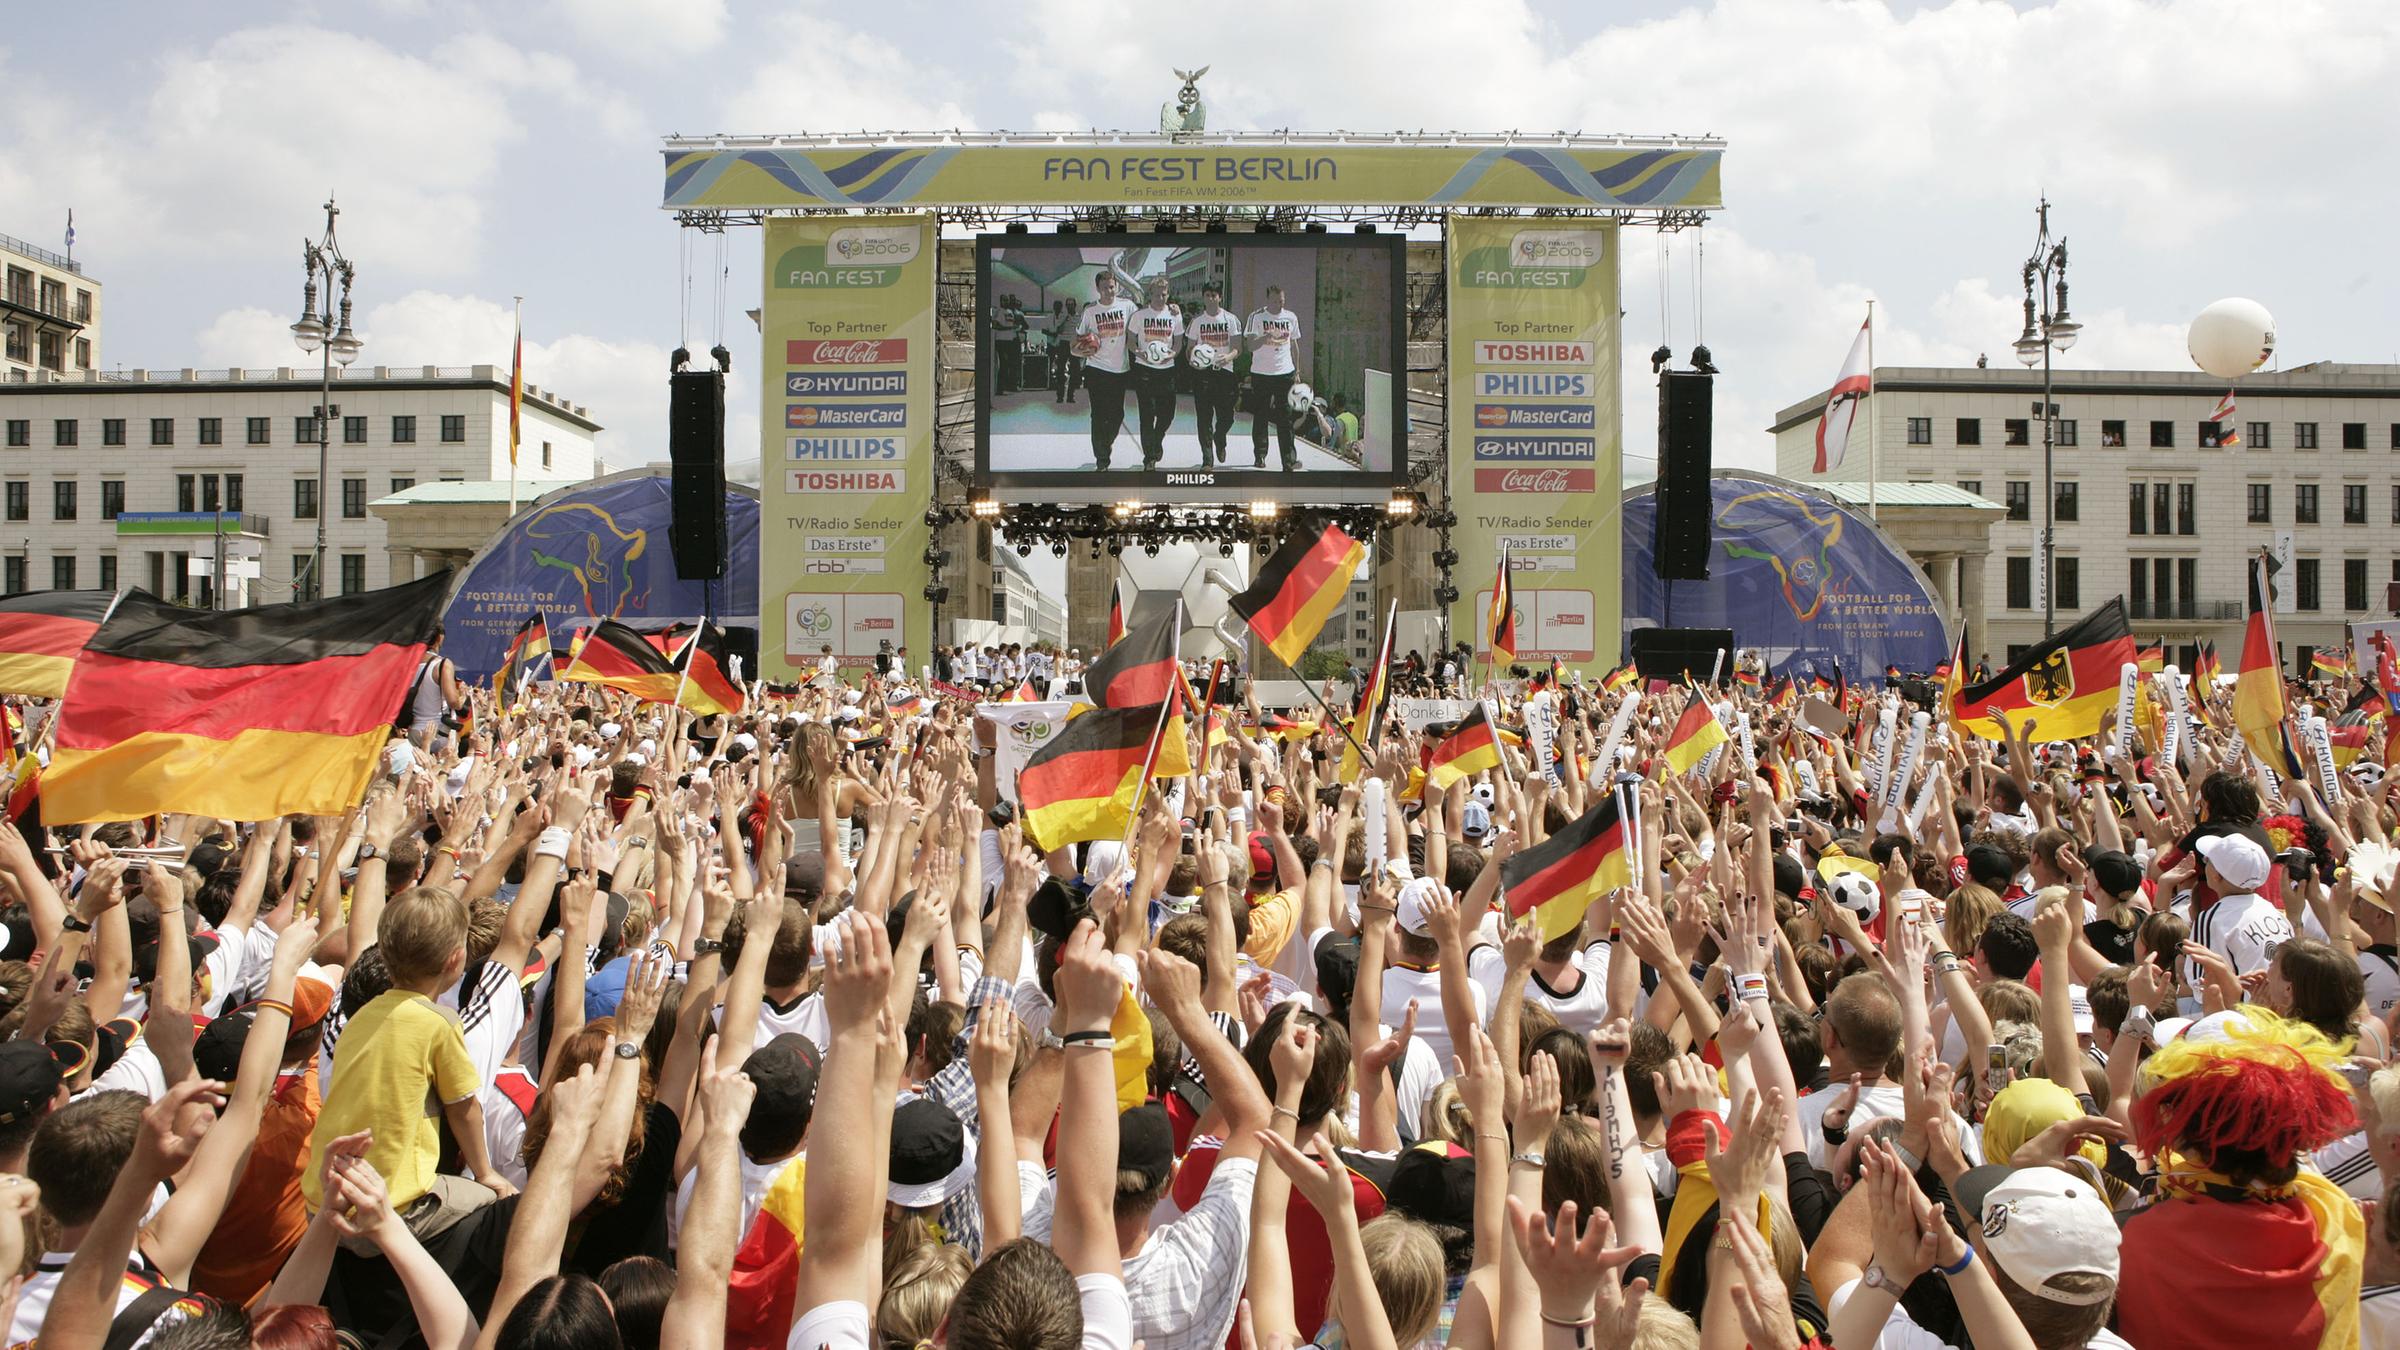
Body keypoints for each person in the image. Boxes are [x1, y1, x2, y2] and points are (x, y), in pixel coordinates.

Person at [1074, 272, 1136, 470]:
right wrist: (1079, 350)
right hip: (1097, 369)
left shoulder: (1128, 306)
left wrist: (1172, 309)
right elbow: (1077, 339)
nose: (1109, 291)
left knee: (1117, 415)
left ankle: (1105, 443)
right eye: (1104, 288)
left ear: (1116, 287)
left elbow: (1145, 318)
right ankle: (1102, 459)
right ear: (1098, 289)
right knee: (1099, 414)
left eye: (1112, 287)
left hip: (1120, 370)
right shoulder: (1090, 311)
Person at [1245, 283, 1302, 471]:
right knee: (1261, 415)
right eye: (1276, 301)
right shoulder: (1257, 317)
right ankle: (1260, 455)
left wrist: (1297, 372)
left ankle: (1289, 460)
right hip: (1261, 373)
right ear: (1268, 299)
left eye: (1282, 301)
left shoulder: (1290, 317)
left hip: (1284, 372)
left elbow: (1294, 346)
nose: (1279, 304)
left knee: (1285, 417)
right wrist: (1265, 337)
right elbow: (1250, 346)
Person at [1129, 277, 1183, 471]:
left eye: (1164, 294)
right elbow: (1130, 340)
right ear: (1150, 294)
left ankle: (1157, 438)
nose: (1160, 298)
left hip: (1166, 370)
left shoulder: (1175, 315)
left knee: (1167, 414)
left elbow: (1178, 343)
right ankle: (1149, 458)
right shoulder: (1139, 315)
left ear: (1168, 294)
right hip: (1144, 369)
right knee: (1147, 414)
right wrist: (1138, 352)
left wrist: (1173, 355)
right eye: (1157, 294)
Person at [1186, 282, 1240, 467]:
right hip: (1203, 374)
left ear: (1220, 297)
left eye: (1214, 295)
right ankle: (1207, 460)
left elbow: (1237, 348)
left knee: (1227, 417)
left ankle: (1220, 437)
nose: (1211, 298)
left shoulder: (1230, 319)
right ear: (1203, 297)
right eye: (1207, 295)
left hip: (1225, 372)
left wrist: (1228, 357)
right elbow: (1189, 349)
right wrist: (1194, 361)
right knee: (1204, 417)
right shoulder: (1197, 322)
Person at [404, 624, 465, 748]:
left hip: (413, 731)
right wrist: (463, 696)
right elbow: (454, 702)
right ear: (438, 639)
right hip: (436, 733)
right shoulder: (442, 664)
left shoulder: (408, 663)